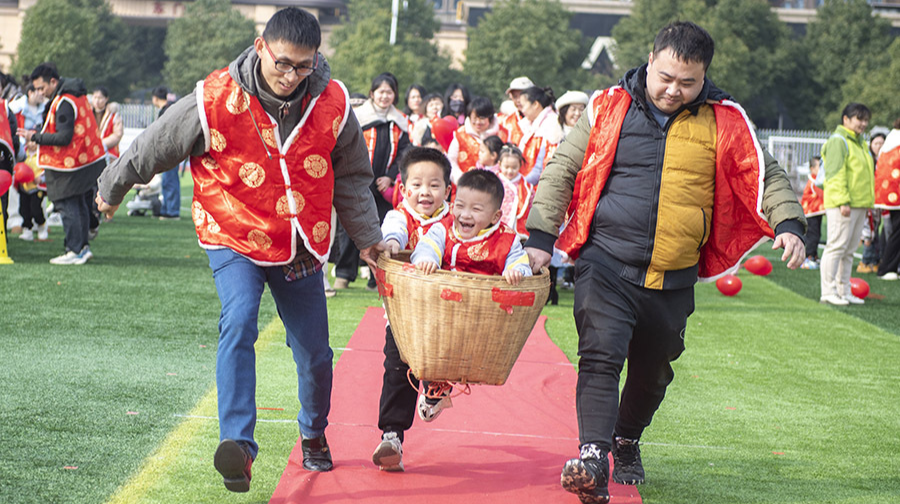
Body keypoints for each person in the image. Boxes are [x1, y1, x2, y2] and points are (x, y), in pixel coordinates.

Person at [94, 7, 385, 492]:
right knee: (240, 319)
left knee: (314, 352)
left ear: (317, 60)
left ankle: (314, 433)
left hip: (300, 243)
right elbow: (157, 142)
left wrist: (370, 241)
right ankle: (239, 447)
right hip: (234, 234)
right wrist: (113, 185)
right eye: (283, 64)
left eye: (303, 67)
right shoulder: (214, 98)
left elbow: (353, 177)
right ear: (260, 48)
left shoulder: (333, 103)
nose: (291, 76)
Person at [522, 22, 806, 504]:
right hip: (605, 259)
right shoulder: (607, 107)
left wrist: (789, 224)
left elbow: (764, 173)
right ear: (649, 62)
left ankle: (626, 439)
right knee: (600, 355)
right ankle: (592, 457)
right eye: (666, 77)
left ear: (704, 77)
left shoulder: (724, 120)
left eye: (687, 82)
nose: (673, 90)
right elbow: (563, 169)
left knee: (654, 369)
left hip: (674, 274)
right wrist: (540, 238)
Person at [410, 169, 532, 424]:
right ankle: (435, 386)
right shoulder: (443, 229)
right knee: (434, 346)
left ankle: (447, 380)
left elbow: (520, 262)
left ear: (496, 215)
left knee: (469, 352)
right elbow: (427, 245)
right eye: (460, 206)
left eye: (476, 209)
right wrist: (427, 259)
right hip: (444, 305)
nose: (465, 215)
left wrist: (515, 271)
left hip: (482, 312)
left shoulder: (507, 239)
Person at [371, 146, 452, 472]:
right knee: (397, 369)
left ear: (448, 190)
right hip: (404, 314)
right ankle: (392, 436)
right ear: (403, 189)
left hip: (449, 313)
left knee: (441, 361)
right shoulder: (398, 215)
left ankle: (436, 388)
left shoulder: (457, 221)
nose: (425, 192)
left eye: (434, 185)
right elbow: (393, 233)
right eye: (416, 184)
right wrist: (390, 244)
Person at [22, 63, 106, 265]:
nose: (40, 93)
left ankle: (74, 249)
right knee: (79, 204)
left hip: (70, 164)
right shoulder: (76, 95)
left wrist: (35, 137)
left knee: (67, 204)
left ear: (53, 82)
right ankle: (82, 248)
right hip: (85, 161)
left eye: (42, 88)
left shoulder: (64, 102)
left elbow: (64, 137)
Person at [333, 72, 410, 290]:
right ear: (372, 94)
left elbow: (405, 153)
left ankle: (376, 277)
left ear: (395, 95)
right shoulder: (359, 117)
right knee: (350, 228)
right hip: (358, 183)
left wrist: (390, 175)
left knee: (382, 230)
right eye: (381, 92)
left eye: (389, 92)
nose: (385, 96)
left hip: (384, 187)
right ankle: (344, 274)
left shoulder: (401, 121)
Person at [818, 103, 875, 306]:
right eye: (859, 119)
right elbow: (835, 174)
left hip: (859, 203)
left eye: (866, 120)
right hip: (843, 203)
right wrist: (842, 201)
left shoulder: (860, 143)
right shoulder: (838, 141)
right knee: (836, 246)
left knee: (849, 250)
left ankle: (843, 290)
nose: (863, 123)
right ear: (846, 119)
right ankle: (828, 291)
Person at [147, 85, 182, 221]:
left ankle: (172, 211)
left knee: (170, 180)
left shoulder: (165, 111)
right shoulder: (170, 109)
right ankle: (167, 209)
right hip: (173, 150)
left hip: (170, 151)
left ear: (155, 98)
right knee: (168, 180)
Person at [447, 96, 501, 184]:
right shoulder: (460, 134)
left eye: (482, 118)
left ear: (490, 117)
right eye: (475, 118)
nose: (478, 123)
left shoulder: (501, 133)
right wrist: (460, 179)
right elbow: (451, 160)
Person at [517, 86, 562, 185]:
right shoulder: (530, 125)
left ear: (535, 104)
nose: (522, 110)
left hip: (539, 186)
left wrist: (521, 185)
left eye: (523, 106)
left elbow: (542, 165)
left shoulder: (552, 124)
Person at [874, 118, 900, 281]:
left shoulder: (892, 139)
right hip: (895, 194)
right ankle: (886, 267)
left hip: (890, 194)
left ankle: (889, 266)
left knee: (893, 231)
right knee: (896, 232)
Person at [858, 131, 887, 273]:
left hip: (881, 201)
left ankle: (874, 260)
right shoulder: (868, 159)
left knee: (876, 229)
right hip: (868, 200)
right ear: (871, 145)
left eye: (882, 143)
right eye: (876, 143)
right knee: (868, 230)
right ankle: (865, 261)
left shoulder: (886, 159)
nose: (879, 146)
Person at [496, 143, 533, 240]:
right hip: (496, 224)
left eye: (514, 167)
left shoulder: (526, 186)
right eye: (506, 167)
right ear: (499, 164)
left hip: (517, 228)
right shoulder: (494, 181)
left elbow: (531, 205)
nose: (510, 171)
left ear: (520, 165)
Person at [800, 156, 824, 269]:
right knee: (812, 236)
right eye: (819, 166)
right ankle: (808, 257)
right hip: (810, 213)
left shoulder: (817, 179)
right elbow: (822, 194)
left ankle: (814, 256)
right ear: (812, 168)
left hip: (816, 213)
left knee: (817, 234)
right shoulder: (814, 181)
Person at [499, 76, 535, 145]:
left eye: (523, 96)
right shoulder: (506, 123)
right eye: (515, 96)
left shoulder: (544, 120)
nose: (519, 100)